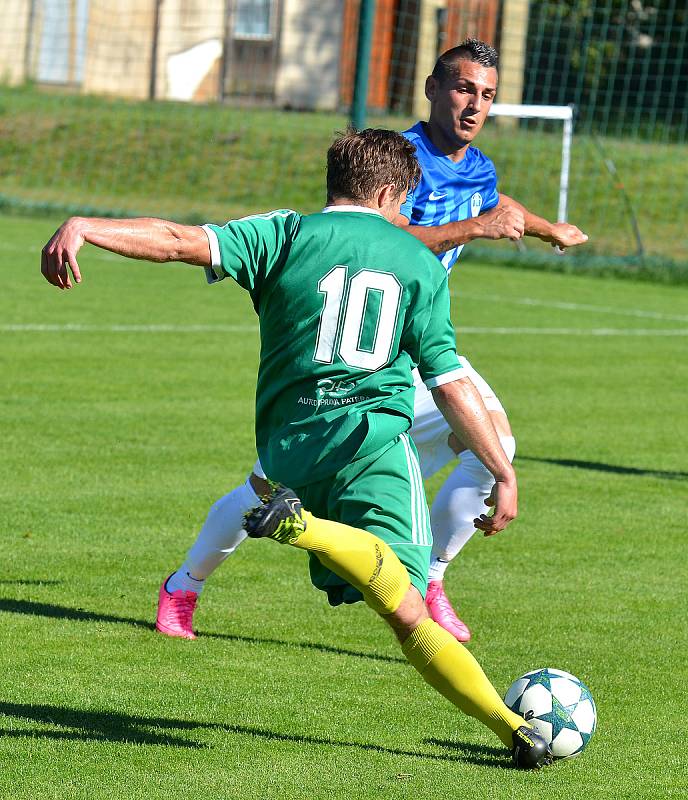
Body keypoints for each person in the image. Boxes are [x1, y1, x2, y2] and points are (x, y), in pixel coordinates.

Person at [41, 128, 551, 768]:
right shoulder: (416, 259)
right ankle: (514, 731)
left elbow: (176, 241)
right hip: (370, 447)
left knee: (368, 572)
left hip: (288, 450)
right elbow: (448, 382)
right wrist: (502, 470)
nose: (403, 217)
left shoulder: (281, 233)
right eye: (404, 205)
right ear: (391, 192)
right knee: (406, 604)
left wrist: (86, 225)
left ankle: (262, 542)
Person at [155, 38, 588, 646]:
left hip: (418, 342)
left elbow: (493, 201)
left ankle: (430, 578)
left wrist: (548, 229)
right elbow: (385, 238)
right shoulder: (397, 157)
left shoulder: (477, 164)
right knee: (272, 488)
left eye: (487, 95)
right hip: (363, 343)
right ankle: (185, 584)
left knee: (495, 450)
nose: (474, 105)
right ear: (434, 88)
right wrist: (475, 229)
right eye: (463, 88)